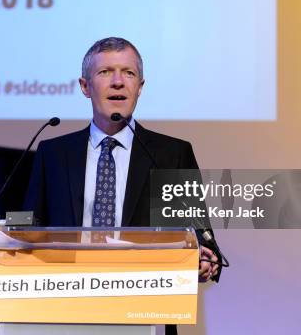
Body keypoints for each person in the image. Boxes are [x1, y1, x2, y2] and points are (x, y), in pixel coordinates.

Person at [23, 36, 221, 281]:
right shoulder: (52, 154)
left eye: (128, 73)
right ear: (85, 86)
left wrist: (203, 257)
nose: (118, 82)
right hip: (65, 292)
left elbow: (201, 236)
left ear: (140, 86)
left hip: (145, 296)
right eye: (105, 72)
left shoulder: (172, 155)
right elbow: (28, 231)